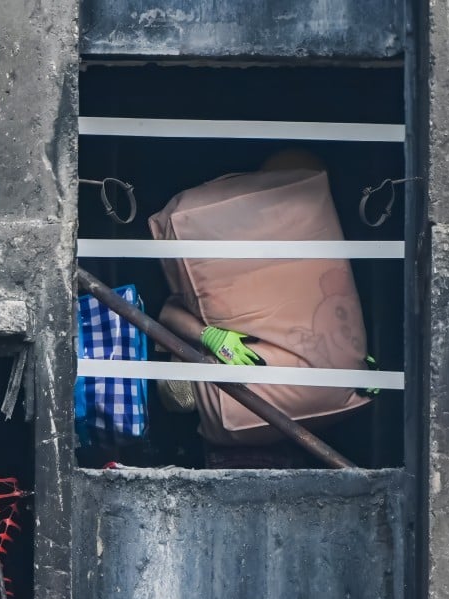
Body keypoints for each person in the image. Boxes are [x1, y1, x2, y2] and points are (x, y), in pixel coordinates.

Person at [149, 149, 371, 468]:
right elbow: (167, 315)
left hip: (298, 435)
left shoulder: (316, 257)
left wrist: (353, 357)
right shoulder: (236, 257)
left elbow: (335, 311)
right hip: (239, 430)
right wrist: (209, 335)